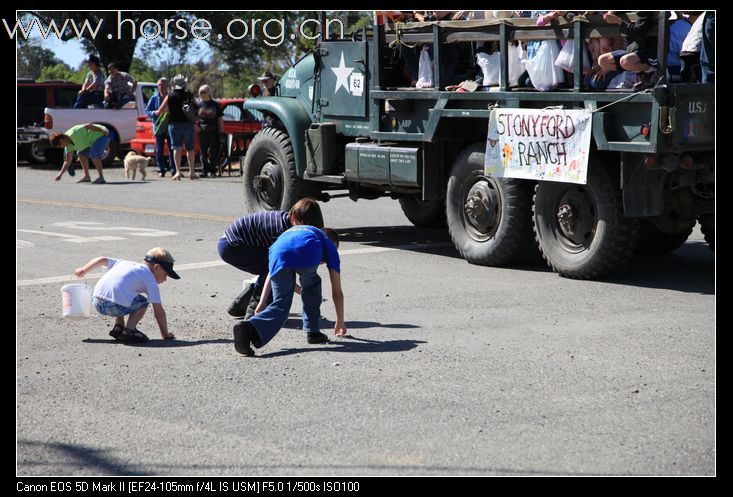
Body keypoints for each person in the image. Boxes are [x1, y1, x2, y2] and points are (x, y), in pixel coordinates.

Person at [232, 226, 345, 357]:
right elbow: (337, 292)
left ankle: (248, 328)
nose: (323, 263)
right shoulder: (328, 245)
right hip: (307, 250)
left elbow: (271, 272)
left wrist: (262, 303)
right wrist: (340, 321)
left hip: (277, 251)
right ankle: (313, 332)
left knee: (281, 304)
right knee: (312, 287)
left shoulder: (300, 233)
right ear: (334, 244)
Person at [218, 198, 325, 319]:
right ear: (294, 217)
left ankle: (240, 304)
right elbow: (276, 269)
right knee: (274, 268)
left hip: (236, 243)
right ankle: (255, 310)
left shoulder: (288, 223)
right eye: (305, 228)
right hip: (231, 246)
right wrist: (303, 291)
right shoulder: (281, 231)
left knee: (273, 266)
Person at [74, 247, 178, 343]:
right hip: (114, 306)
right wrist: (165, 334)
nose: (165, 279)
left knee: (124, 294)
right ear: (156, 268)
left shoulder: (125, 263)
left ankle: (119, 326)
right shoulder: (150, 280)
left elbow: (102, 259)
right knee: (142, 301)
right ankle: (130, 330)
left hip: (96, 302)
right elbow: (158, 312)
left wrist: (84, 270)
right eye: (165, 275)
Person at [599, 11, 660, 91]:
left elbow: (639, 33)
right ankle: (640, 73)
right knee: (603, 61)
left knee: (625, 62)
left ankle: (652, 72)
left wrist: (618, 21)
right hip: (633, 50)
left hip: (649, 50)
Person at [161, 74, 198, 180]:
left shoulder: (170, 95)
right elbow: (197, 106)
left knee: (176, 148)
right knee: (190, 149)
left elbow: (160, 110)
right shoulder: (189, 95)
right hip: (188, 124)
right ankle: (192, 172)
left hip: (174, 125)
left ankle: (178, 172)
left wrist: (169, 110)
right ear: (184, 84)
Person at [145, 77, 175, 177]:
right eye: (159, 85)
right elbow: (147, 111)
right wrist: (156, 113)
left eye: (163, 85)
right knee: (159, 150)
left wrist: (171, 112)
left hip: (170, 127)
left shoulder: (171, 97)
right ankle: (161, 170)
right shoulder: (154, 98)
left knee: (172, 149)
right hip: (159, 127)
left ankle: (173, 170)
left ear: (168, 86)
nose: (161, 87)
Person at [196, 84, 224, 177]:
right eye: (201, 92)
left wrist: (221, 130)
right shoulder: (198, 105)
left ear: (209, 93)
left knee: (213, 151)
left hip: (213, 130)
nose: (203, 94)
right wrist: (196, 126)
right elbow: (194, 118)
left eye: (204, 92)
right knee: (203, 152)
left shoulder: (215, 104)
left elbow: (220, 118)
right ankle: (204, 170)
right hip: (202, 131)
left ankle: (213, 170)